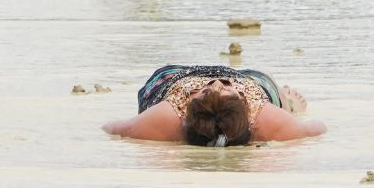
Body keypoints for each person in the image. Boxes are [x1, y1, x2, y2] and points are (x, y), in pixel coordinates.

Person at [102, 64, 326, 145]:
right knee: (265, 83)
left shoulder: (168, 117)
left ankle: (285, 104)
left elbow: (112, 127)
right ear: (246, 108)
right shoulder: (263, 116)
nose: (217, 81)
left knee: (161, 74)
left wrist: (170, 141)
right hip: (250, 82)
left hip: (176, 76)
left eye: (208, 91)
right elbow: (317, 128)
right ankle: (286, 104)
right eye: (225, 90)